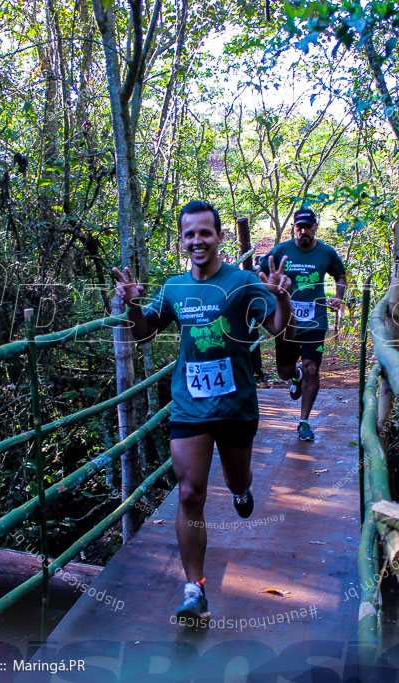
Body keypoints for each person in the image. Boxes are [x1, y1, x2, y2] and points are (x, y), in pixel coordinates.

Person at [112, 200, 292, 622]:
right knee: (190, 493)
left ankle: (241, 489)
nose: (198, 241)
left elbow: (278, 328)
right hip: (190, 406)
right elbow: (143, 333)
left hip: (235, 406)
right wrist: (134, 306)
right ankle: (195, 590)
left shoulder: (244, 283)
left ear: (220, 237)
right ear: (182, 240)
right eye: (190, 234)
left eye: (205, 233)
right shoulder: (174, 287)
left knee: (236, 479)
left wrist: (281, 297)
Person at [259, 208, 347, 441]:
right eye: (299, 227)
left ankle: (304, 421)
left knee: (312, 367)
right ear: (293, 229)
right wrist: (268, 289)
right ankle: (295, 375)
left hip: (315, 322)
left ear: (315, 227)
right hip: (286, 322)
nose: (304, 231)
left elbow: (340, 275)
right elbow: (261, 271)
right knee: (285, 372)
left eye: (308, 226)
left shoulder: (326, 253)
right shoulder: (281, 251)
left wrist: (339, 296)